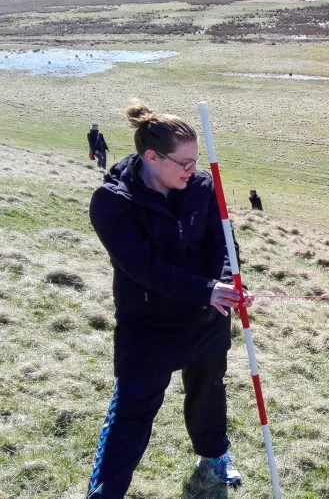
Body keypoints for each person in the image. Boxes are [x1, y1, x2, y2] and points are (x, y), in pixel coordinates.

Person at [85, 101, 251, 498]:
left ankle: (213, 454)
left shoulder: (203, 188)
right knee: (132, 414)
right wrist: (206, 290)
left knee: (209, 390)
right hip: (149, 324)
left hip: (206, 319)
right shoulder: (112, 202)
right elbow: (142, 267)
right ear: (151, 157)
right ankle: (105, 493)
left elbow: (224, 244)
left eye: (196, 161)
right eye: (185, 162)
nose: (193, 170)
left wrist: (226, 282)